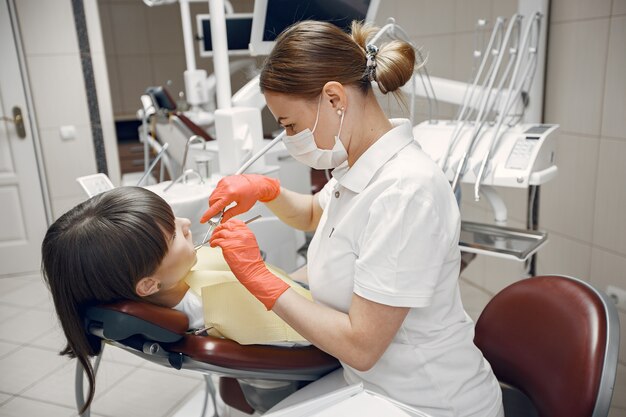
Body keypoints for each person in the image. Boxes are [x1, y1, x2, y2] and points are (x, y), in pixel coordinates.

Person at [201, 20, 504, 417]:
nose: (290, 138)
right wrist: (264, 190)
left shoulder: (404, 191)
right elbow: (314, 213)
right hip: (371, 384)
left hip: (428, 401)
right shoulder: (361, 166)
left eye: (290, 125)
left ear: (334, 99)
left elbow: (361, 346)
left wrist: (258, 277)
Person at [41, 186, 306, 414]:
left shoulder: (174, 287)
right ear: (148, 284)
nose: (186, 223)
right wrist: (257, 274)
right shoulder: (213, 307)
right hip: (294, 378)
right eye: (174, 234)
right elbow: (302, 331)